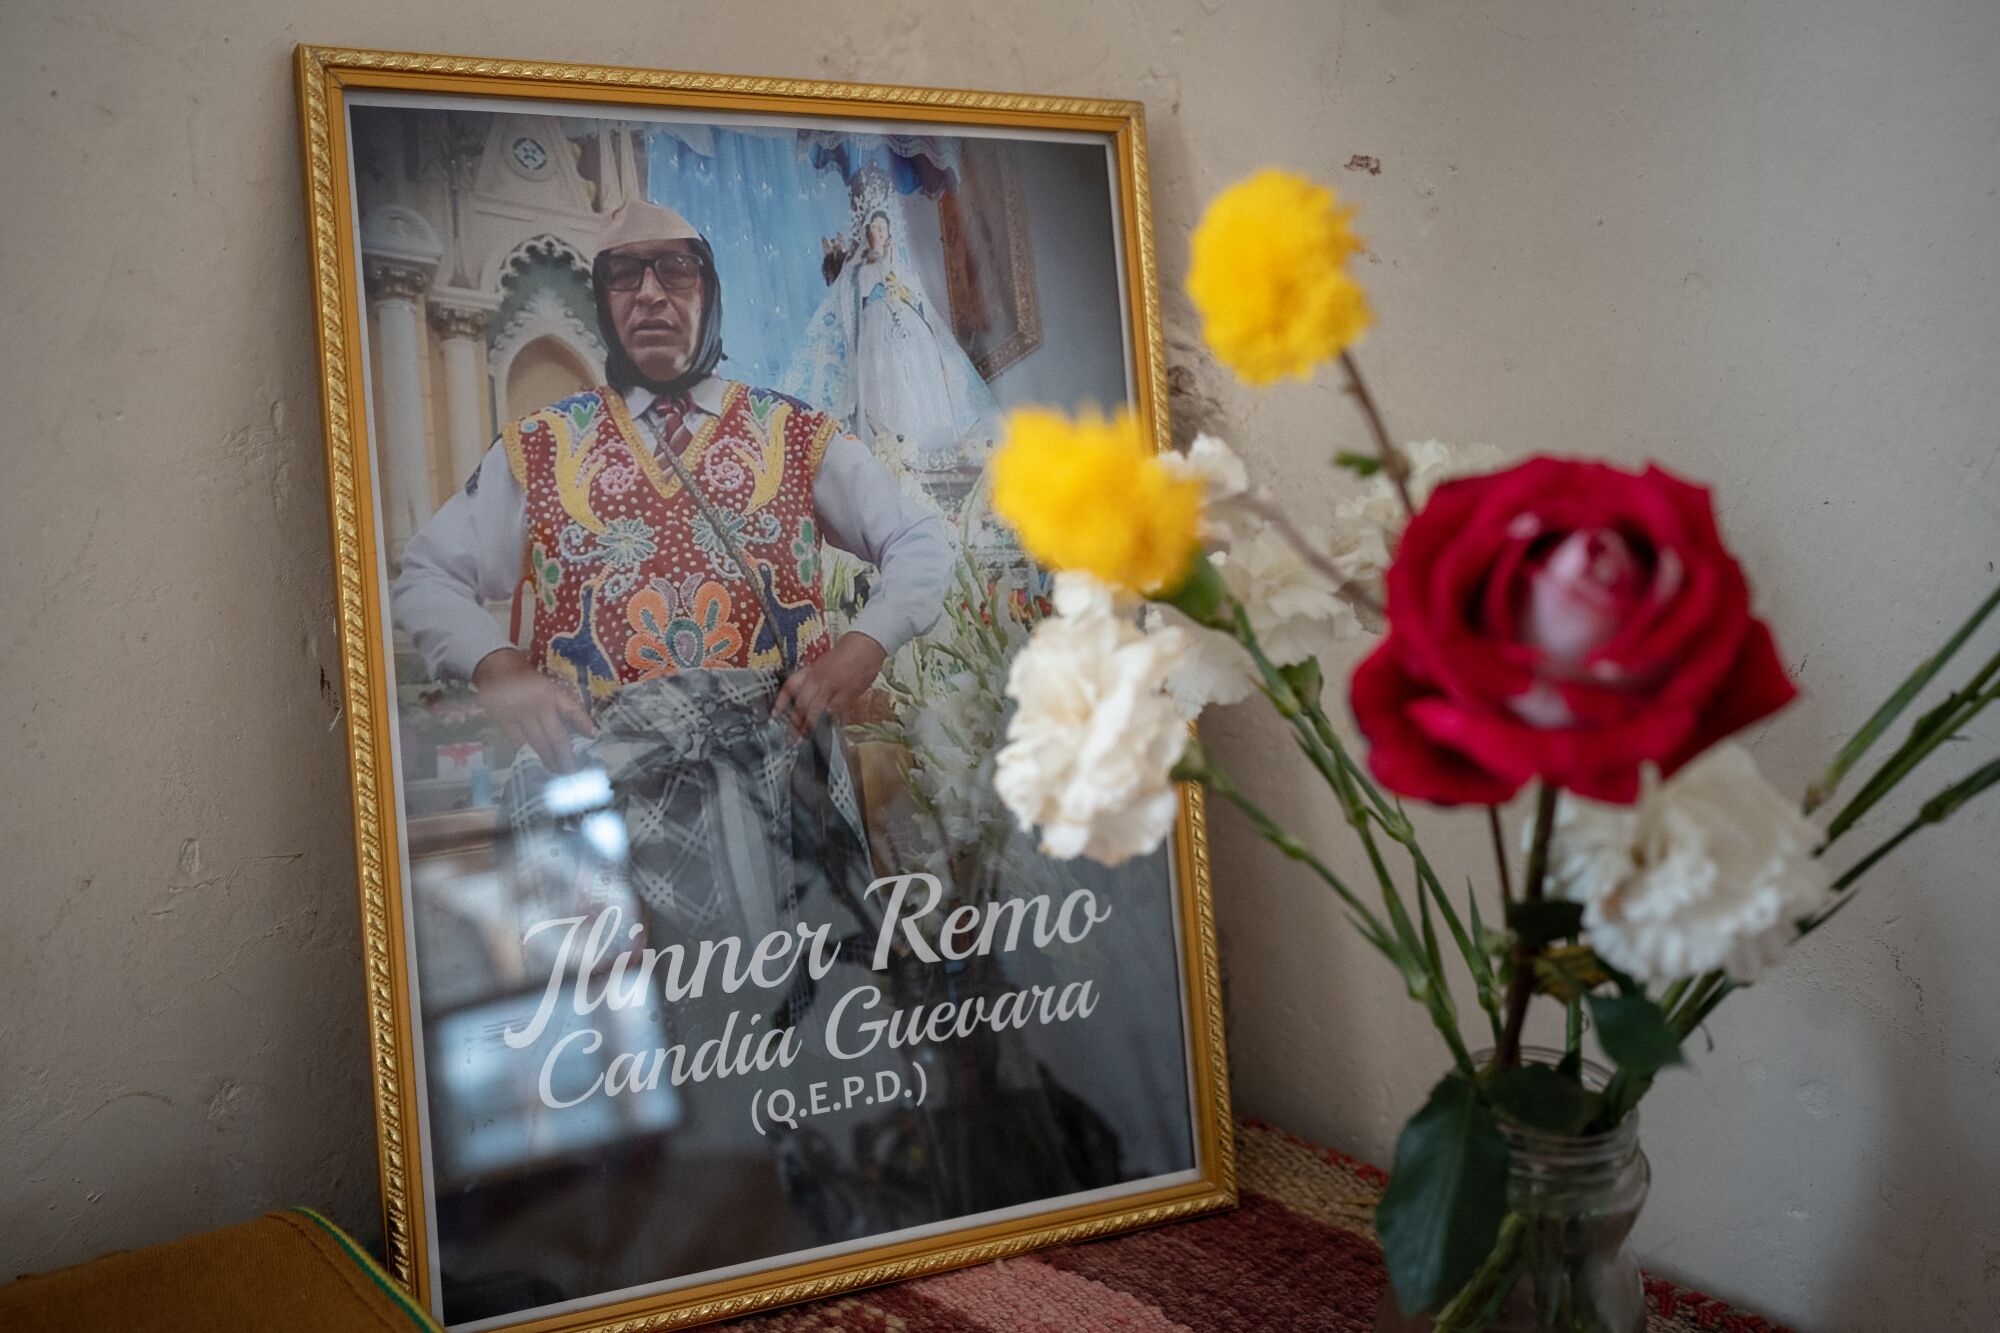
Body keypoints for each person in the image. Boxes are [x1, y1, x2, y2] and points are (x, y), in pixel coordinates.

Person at [392, 198, 953, 951]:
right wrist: (497, 667)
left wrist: (862, 649)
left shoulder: (794, 434)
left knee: (801, 1033)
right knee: (633, 1044)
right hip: (602, 813)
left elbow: (921, 539)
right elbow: (426, 574)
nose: (650, 292)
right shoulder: (541, 447)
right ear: (603, 298)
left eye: (676, 270)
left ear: (709, 290)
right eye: (625, 274)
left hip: (782, 799)